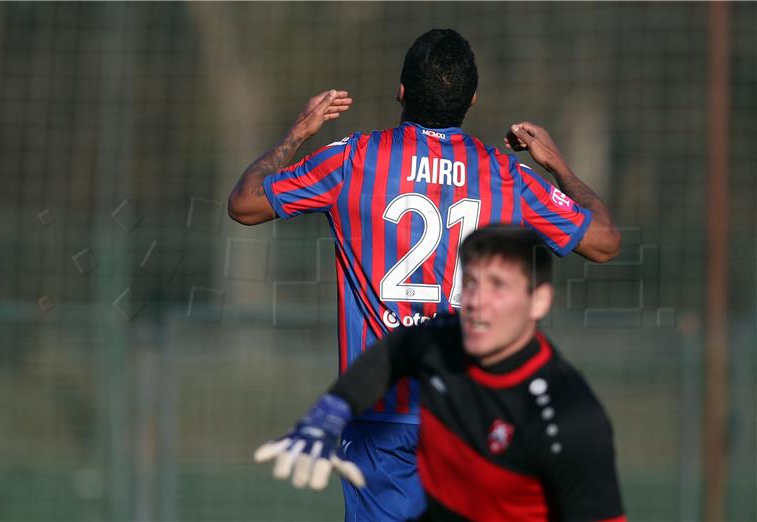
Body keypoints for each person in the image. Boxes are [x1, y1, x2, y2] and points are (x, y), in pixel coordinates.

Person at [230, 29, 621, 521]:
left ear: (401, 91)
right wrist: (558, 165)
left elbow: (245, 204)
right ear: (472, 99)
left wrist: (297, 134)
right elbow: (604, 241)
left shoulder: (353, 160)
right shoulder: (507, 176)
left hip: (380, 413)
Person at [255, 226, 627, 522]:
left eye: (498, 286)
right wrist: (330, 414)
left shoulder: (569, 418)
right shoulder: (443, 340)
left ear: (539, 300)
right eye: (471, 283)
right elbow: (394, 352)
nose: (477, 301)